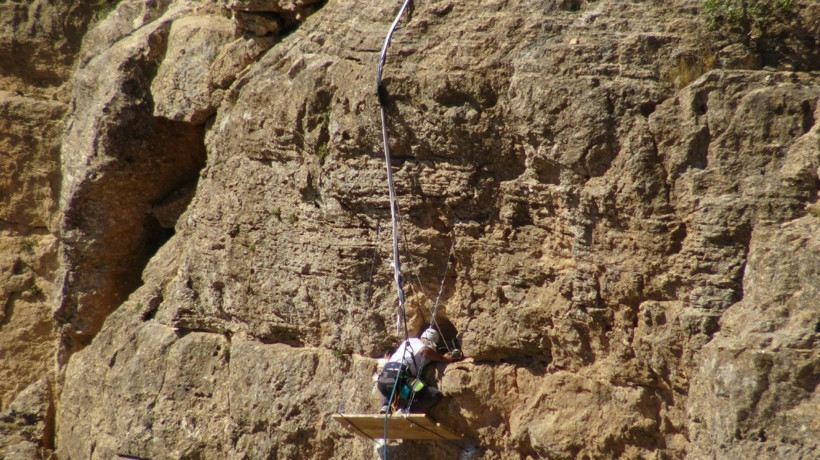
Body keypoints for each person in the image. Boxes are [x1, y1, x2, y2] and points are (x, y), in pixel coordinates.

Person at [376, 327, 463, 414]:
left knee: (394, 387)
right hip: (399, 380)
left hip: (382, 382)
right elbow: (424, 350)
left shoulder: (409, 342)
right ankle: (406, 411)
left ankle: (386, 405)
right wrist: (443, 358)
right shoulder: (424, 347)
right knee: (433, 395)